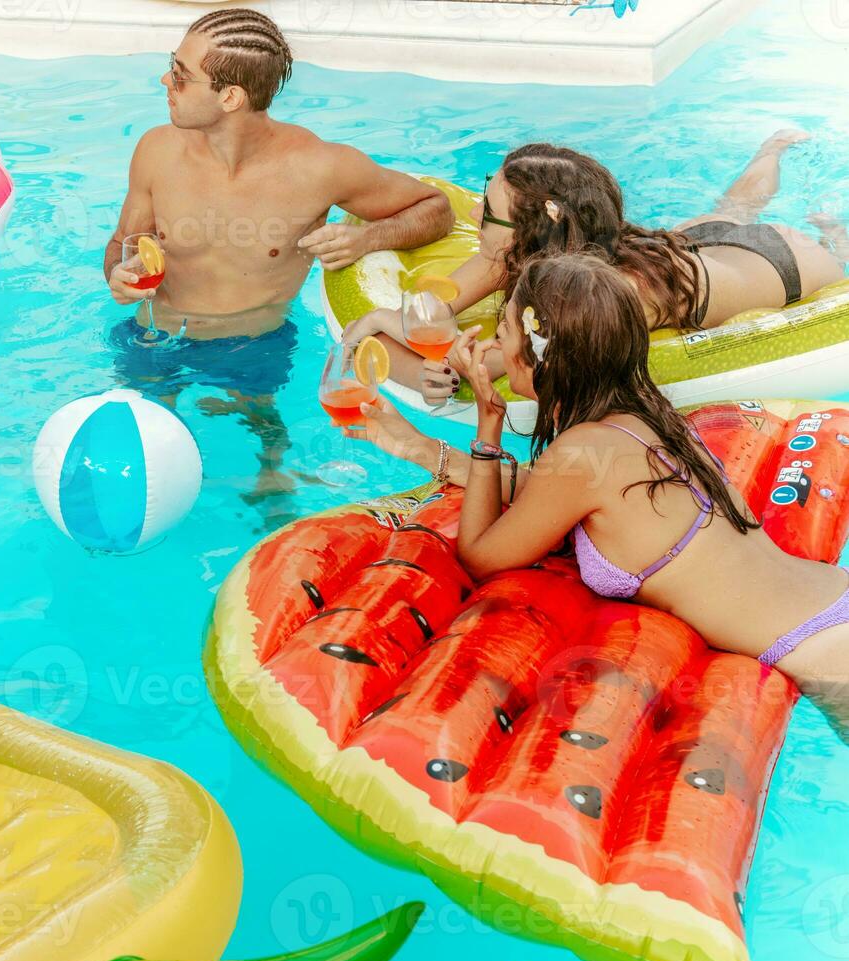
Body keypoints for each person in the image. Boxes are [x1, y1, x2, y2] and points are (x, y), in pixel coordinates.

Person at [357, 251, 849, 733]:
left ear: (537, 355)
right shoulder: (643, 416)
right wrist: (420, 448)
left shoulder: (582, 451)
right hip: (830, 602)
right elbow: (540, 495)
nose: (495, 347)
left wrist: (489, 424)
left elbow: (482, 558)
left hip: (825, 650)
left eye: (502, 333)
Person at [105, 8, 451, 520]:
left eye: (180, 73)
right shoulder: (156, 151)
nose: (165, 80)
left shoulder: (319, 167)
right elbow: (122, 242)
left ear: (230, 97)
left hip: (255, 345)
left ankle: (272, 486)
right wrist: (119, 271)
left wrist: (366, 239)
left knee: (268, 471)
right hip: (155, 337)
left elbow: (434, 209)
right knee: (140, 473)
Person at [348, 135, 847, 403]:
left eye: (489, 208)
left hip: (783, 262)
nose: (476, 215)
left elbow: (476, 366)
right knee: (734, 208)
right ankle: (771, 150)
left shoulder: (601, 292)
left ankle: (832, 232)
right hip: (692, 249)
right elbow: (438, 315)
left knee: (795, 236)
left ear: (533, 226)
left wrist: (385, 323)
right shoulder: (526, 248)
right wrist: (412, 328)